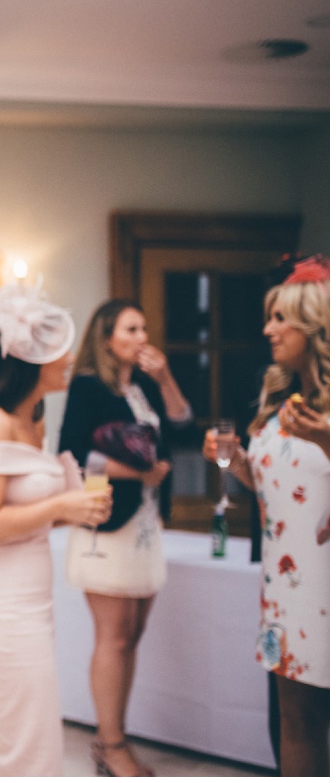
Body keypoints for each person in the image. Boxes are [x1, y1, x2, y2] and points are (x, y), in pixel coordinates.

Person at [0, 285, 112, 775]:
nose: (70, 359)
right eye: (60, 350)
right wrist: (63, 502)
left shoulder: (34, 420)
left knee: (25, 729)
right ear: (32, 359)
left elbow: (29, 513)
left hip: (28, 595)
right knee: (11, 735)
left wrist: (71, 511)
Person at [202, 256, 329, 777]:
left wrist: (326, 438)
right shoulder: (281, 401)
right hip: (285, 586)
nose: (267, 330)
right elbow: (277, 490)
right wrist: (234, 462)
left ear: (315, 320)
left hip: (328, 582)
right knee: (295, 718)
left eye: (280, 318)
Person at [58, 300, 192, 776]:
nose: (143, 336)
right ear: (108, 338)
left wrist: (167, 378)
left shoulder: (144, 388)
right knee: (113, 636)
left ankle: (111, 733)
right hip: (108, 519)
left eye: (144, 327)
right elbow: (71, 454)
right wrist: (137, 471)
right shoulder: (90, 387)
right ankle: (111, 745)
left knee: (131, 635)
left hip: (146, 523)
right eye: (132, 328)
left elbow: (182, 422)